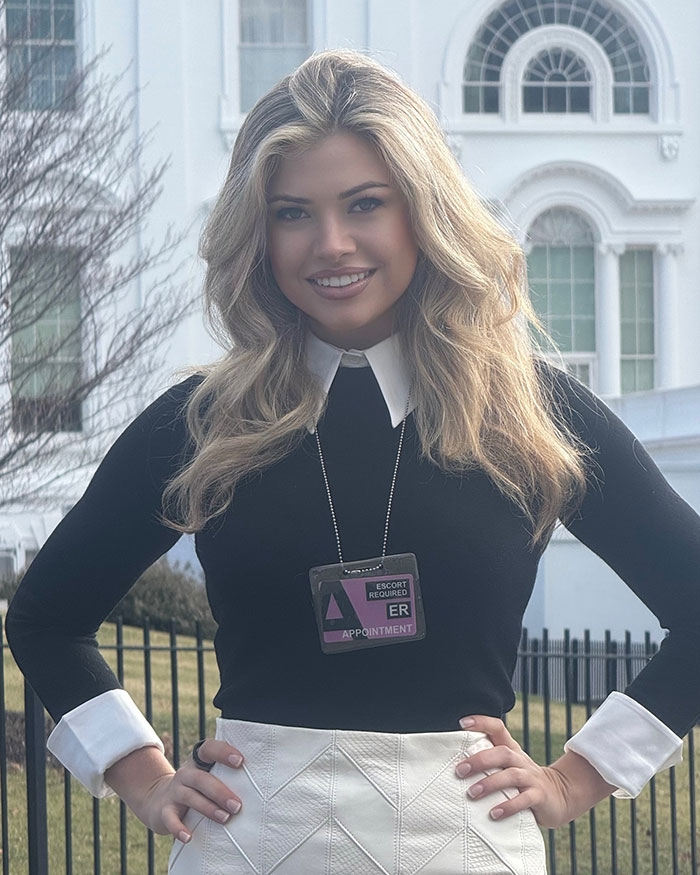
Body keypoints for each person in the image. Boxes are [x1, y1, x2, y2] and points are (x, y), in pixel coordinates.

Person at [6, 49, 700, 875]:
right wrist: (141, 775)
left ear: (423, 208)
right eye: (292, 212)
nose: (331, 245)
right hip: (250, 845)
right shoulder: (205, 422)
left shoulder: (532, 416)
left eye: (364, 203)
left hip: (467, 845)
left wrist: (575, 778)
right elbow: (45, 617)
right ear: (256, 232)